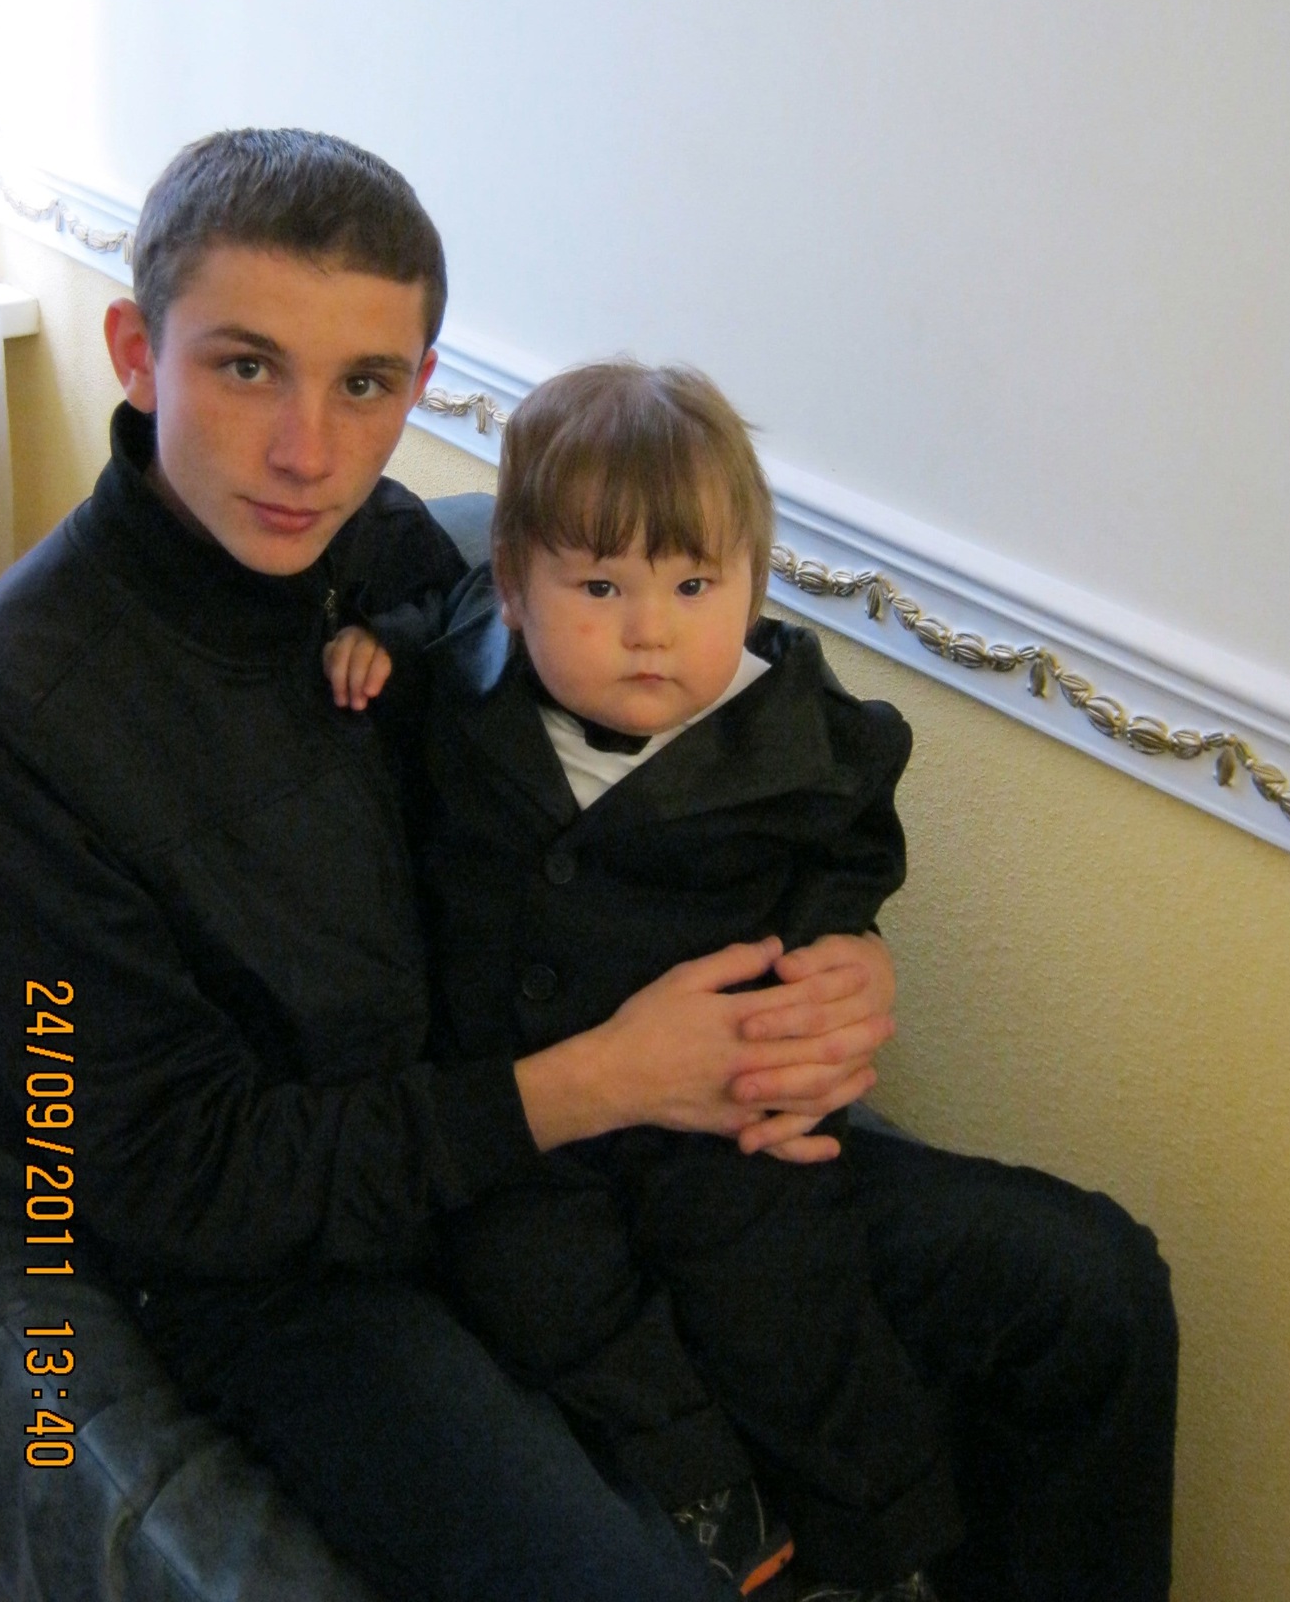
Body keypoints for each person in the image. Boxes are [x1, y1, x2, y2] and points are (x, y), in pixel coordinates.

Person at [0, 127, 897, 1602]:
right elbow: (165, 1176)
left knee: (1086, 1290)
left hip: (547, 1142)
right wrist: (598, 1081)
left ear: (420, 386)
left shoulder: (385, 550)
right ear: (136, 352)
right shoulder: (12, 725)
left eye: (364, 384)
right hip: (299, 1266)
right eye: (248, 367)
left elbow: (619, 787)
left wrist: (839, 959)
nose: (308, 452)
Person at [326, 360, 1181, 1602]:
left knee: (788, 1296)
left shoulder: (794, 730)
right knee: (539, 1287)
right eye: (601, 587)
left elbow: (851, 846)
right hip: (520, 1127)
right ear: (512, 585)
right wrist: (371, 646)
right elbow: (418, 620)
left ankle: (881, 1545)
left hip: (723, 1133)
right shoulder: (461, 682)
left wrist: (846, 945)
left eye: (693, 585)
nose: (649, 628)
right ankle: (707, 1495)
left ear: (753, 583)